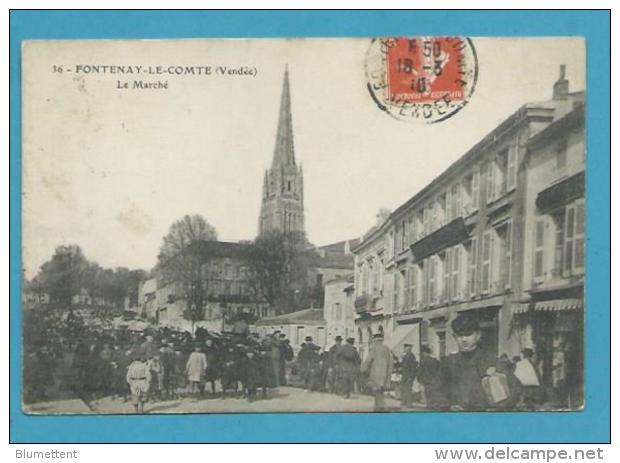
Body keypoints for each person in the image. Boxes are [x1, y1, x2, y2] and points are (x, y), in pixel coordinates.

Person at [443, 313, 519, 411]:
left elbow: (515, 388)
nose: (464, 339)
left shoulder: (492, 361)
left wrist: (499, 408)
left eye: (468, 334)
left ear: (478, 335)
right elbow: (435, 391)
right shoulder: (449, 363)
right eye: (460, 336)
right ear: (454, 337)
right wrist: (448, 406)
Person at [361, 333, 394, 411]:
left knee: (377, 394)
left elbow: (368, 361)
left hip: (375, 376)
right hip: (385, 376)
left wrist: (362, 369)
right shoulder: (387, 349)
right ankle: (379, 408)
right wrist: (388, 376)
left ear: (375, 340)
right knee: (380, 393)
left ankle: (380, 409)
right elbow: (391, 363)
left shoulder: (374, 349)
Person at [417, 344, 448, 410]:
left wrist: (418, 378)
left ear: (424, 353)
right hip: (434, 379)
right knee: (433, 392)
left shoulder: (423, 361)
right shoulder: (435, 360)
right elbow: (440, 370)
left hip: (426, 380)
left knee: (427, 392)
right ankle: (434, 405)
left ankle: (429, 405)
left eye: (422, 353)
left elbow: (420, 370)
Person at [399, 343, 418, 409]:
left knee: (408, 390)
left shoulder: (411, 356)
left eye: (407, 348)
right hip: (404, 375)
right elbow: (402, 365)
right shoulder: (405, 356)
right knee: (403, 389)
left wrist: (411, 377)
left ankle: (409, 404)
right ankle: (404, 402)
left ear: (410, 349)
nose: (405, 349)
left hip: (408, 376)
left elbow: (413, 368)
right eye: (405, 348)